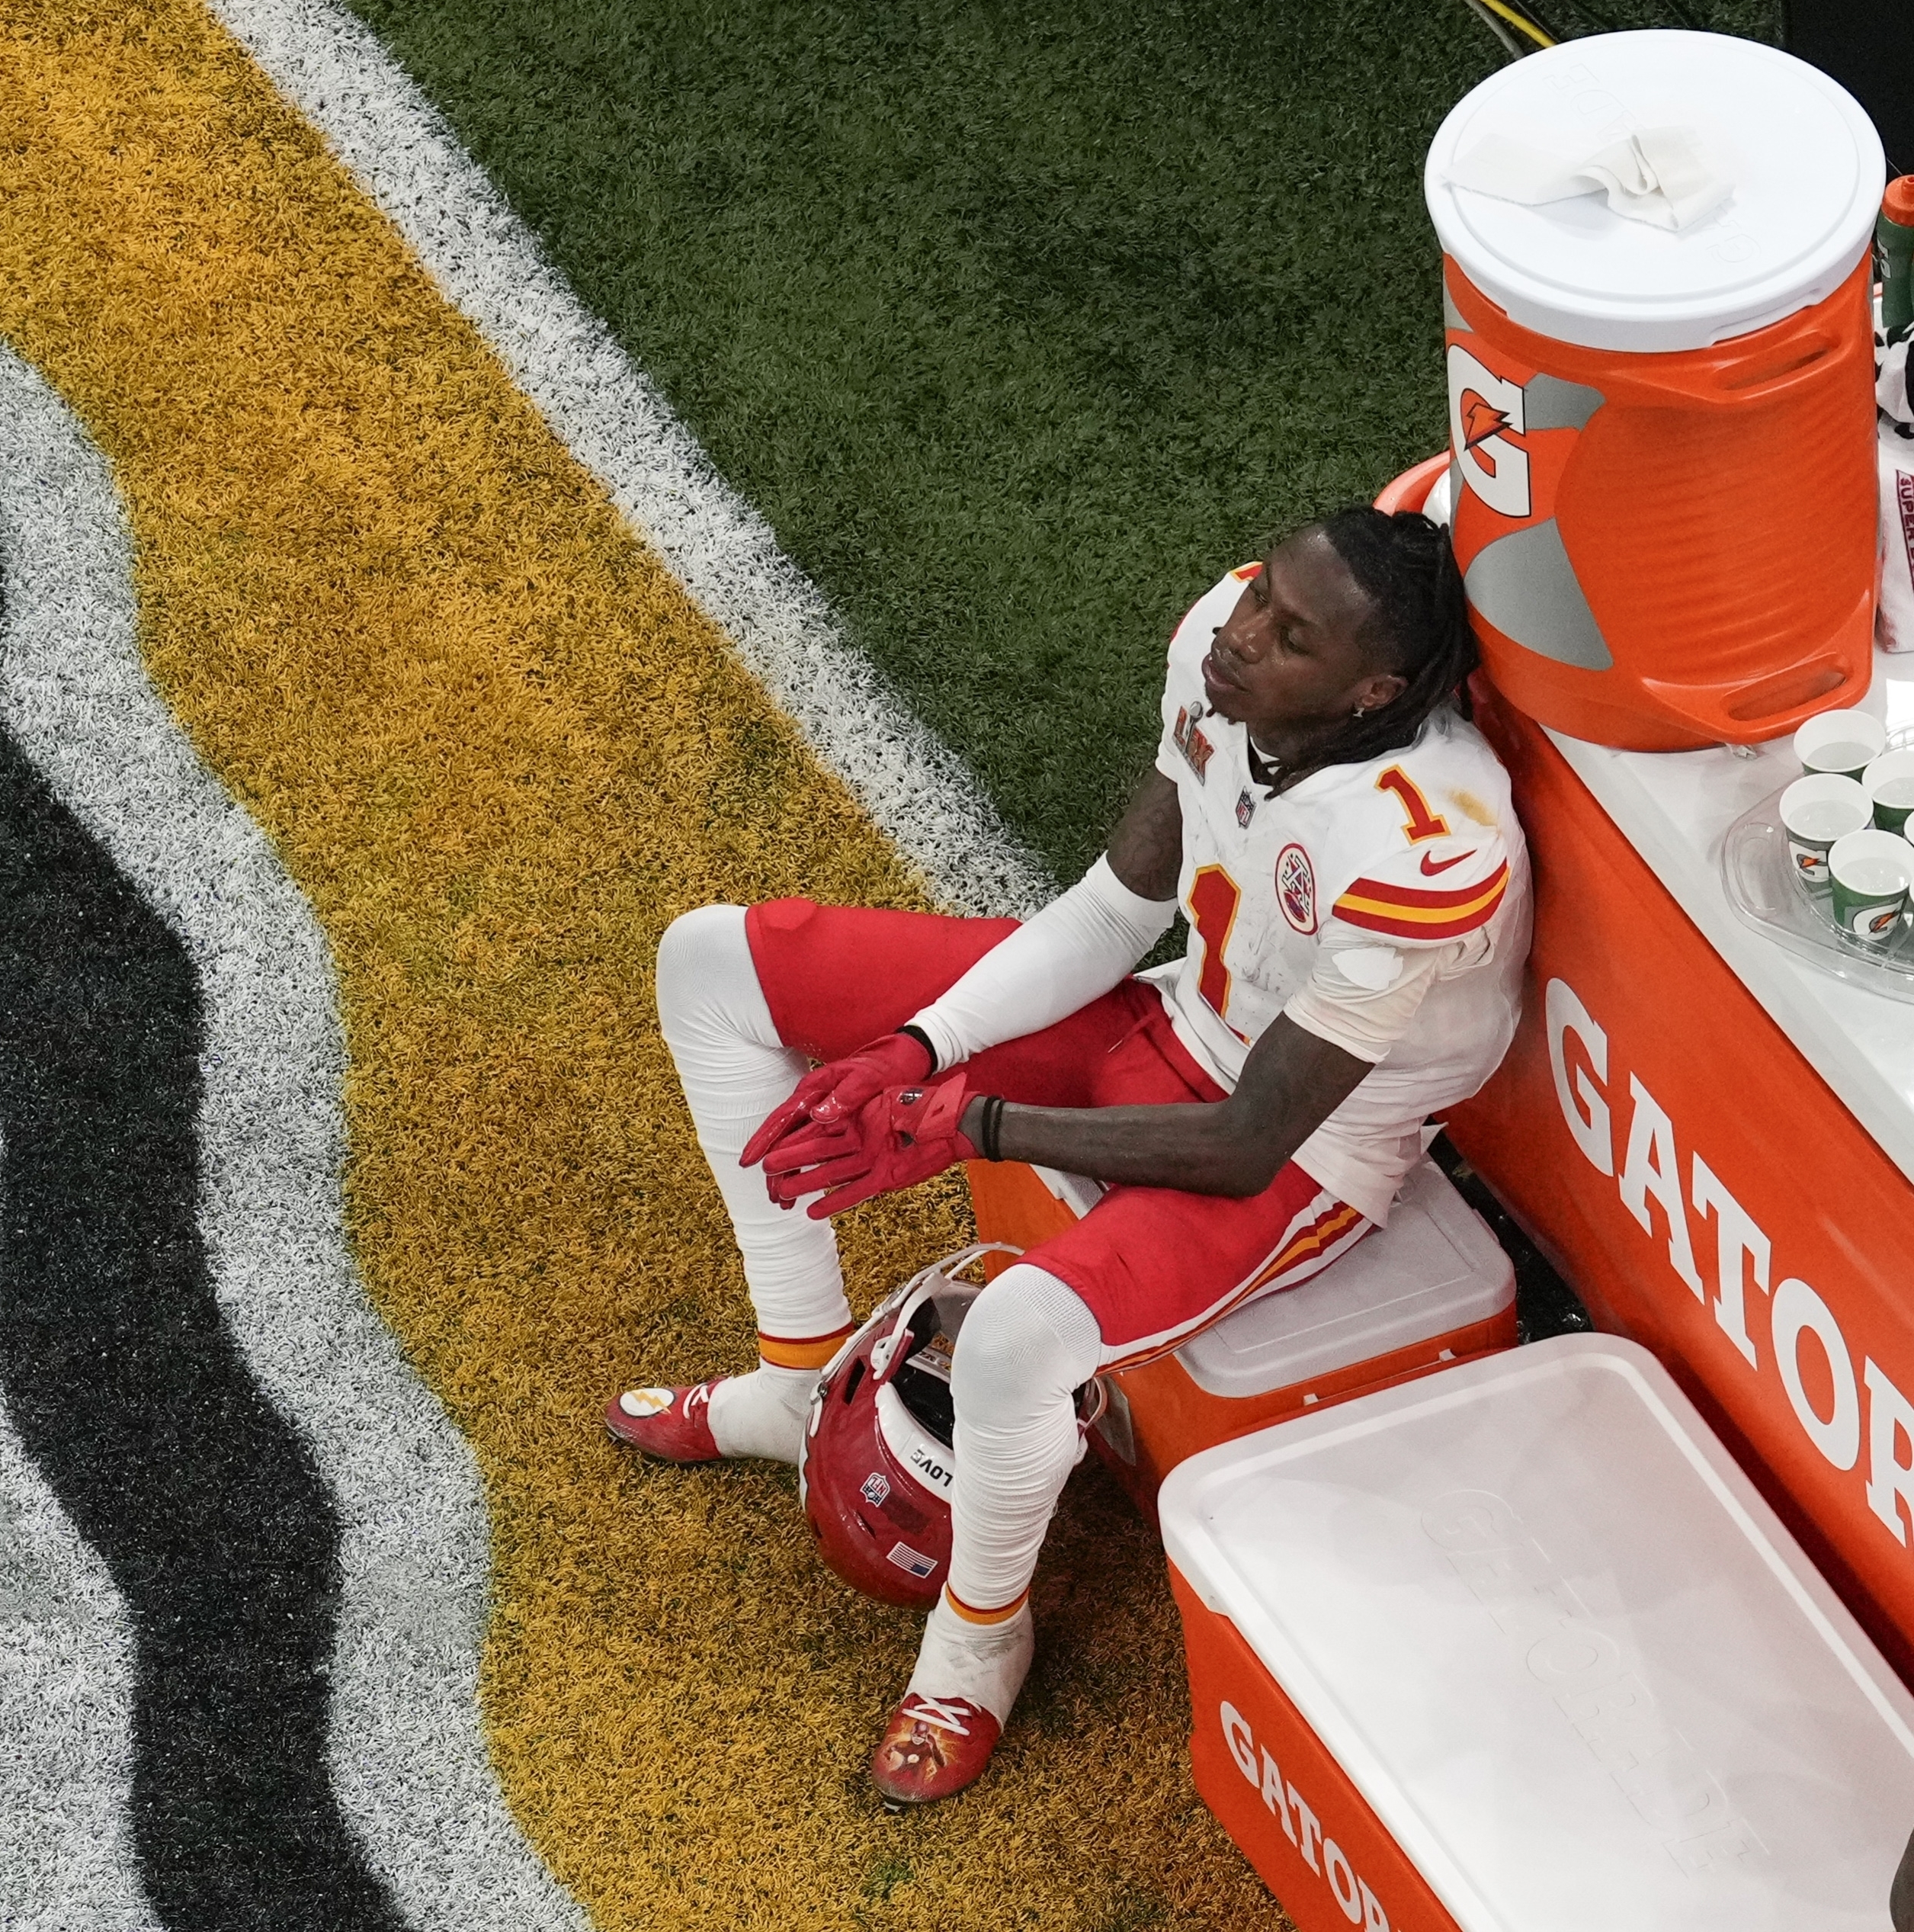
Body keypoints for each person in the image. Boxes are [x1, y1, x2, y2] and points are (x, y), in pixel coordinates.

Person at [608, 505, 1530, 1804]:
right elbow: (1114, 905)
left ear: (1373, 690)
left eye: (1291, 633)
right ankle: (796, 1375)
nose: (1243, 632)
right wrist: (922, 1049)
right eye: (1262, 594)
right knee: (712, 960)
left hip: (1308, 1146)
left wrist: (972, 1125)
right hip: (1171, 1011)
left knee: (1015, 1336)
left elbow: (1247, 1135)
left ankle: (980, 1639)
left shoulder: (1429, 839)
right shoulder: (1220, 645)